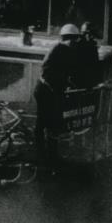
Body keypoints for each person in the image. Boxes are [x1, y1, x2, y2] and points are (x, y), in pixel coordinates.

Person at [34, 23, 80, 166]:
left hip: (48, 90)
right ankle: (45, 155)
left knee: (47, 122)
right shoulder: (60, 49)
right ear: (70, 39)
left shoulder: (62, 50)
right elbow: (47, 73)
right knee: (46, 123)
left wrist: (68, 83)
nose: (74, 43)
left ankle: (47, 154)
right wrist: (62, 84)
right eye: (73, 39)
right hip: (46, 91)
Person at [74, 22, 101, 89]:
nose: (89, 36)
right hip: (78, 80)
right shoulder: (77, 45)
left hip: (89, 80)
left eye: (91, 35)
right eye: (85, 34)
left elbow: (95, 64)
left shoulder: (92, 46)